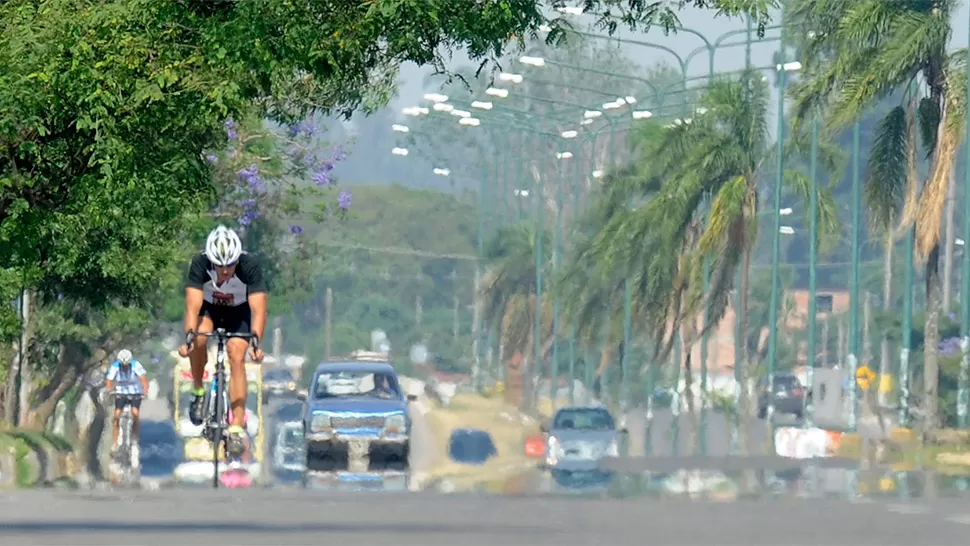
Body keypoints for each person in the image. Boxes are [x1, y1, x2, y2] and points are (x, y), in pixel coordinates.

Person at [178, 225, 266, 460]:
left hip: (239, 315)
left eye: (230, 265)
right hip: (209, 312)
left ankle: (236, 428)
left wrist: (256, 344)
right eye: (220, 265)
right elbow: (192, 305)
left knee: (236, 355)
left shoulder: (250, 266)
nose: (225, 270)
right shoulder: (199, 264)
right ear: (210, 260)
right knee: (199, 339)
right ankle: (198, 390)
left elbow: (258, 309)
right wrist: (188, 337)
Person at [105, 349, 149, 463]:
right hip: (120, 392)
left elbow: (143, 380)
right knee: (116, 416)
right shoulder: (115, 366)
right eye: (122, 366)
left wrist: (145, 392)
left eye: (126, 366)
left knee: (135, 413)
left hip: (135, 392)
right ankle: (115, 443)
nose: (124, 368)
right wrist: (109, 390)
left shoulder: (136, 365)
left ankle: (134, 439)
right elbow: (109, 380)